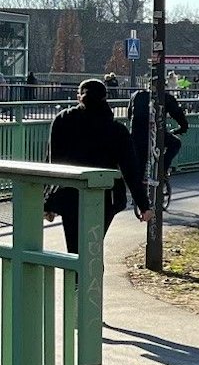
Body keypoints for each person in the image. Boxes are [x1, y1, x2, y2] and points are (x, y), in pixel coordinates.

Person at [42, 79, 149, 253]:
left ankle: (77, 279)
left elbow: (53, 162)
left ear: (79, 97)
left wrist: (47, 203)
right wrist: (143, 205)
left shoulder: (62, 120)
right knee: (93, 247)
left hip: (70, 196)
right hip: (105, 197)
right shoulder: (117, 130)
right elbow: (130, 169)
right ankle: (92, 277)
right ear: (105, 99)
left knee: (74, 249)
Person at [131, 84, 191, 180]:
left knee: (140, 162)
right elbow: (178, 114)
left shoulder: (136, 95)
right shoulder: (165, 98)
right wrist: (183, 127)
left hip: (136, 135)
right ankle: (162, 169)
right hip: (156, 134)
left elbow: (130, 114)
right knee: (175, 143)